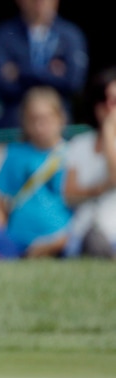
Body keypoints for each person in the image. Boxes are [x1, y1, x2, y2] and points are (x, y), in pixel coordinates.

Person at [0, 86, 72, 259]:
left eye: (46, 118)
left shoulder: (73, 154)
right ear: (25, 121)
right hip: (15, 242)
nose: (40, 126)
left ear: (60, 118)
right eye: (34, 119)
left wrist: (57, 242)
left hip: (62, 243)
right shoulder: (14, 153)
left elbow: (82, 209)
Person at [0, 0, 88, 129]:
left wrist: (20, 73)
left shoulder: (71, 35)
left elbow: (74, 82)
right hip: (13, 127)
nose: (39, 2)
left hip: (58, 130)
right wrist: (50, 75)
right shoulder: (2, 35)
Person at [62, 67, 116, 259]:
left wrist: (109, 133)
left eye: (115, 101)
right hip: (82, 229)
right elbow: (69, 193)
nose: (109, 107)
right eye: (104, 100)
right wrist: (100, 188)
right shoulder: (80, 143)